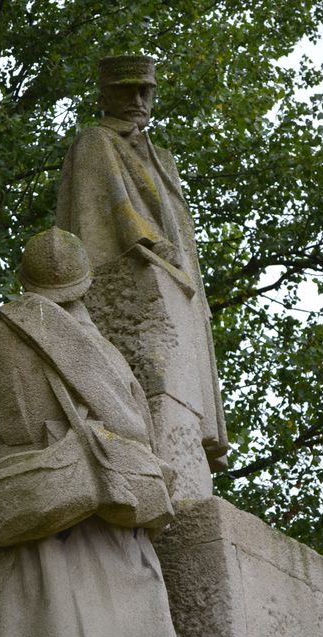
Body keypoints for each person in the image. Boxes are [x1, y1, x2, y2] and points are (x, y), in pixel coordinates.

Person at [0, 226, 201, 637]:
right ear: (83, 285)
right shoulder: (109, 357)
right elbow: (139, 431)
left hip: (34, 514)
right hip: (111, 522)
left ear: (28, 283)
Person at [56, 55, 228, 491]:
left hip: (176, 285)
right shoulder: (94, 141)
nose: (136, 100)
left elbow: (180, 230)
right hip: (130, 274)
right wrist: (146, 242)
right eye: (125, 90)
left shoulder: (163, 159)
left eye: (144, 90)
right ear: (104, 95)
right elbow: (101, 212)